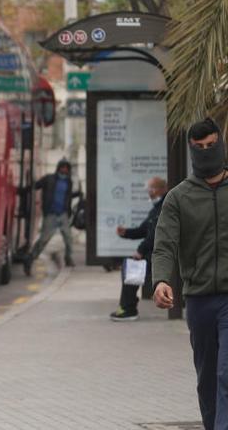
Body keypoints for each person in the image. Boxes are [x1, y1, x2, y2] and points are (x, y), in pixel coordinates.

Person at [153, 118, 228, 430]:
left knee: (226, 373)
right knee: (208, 378)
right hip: (198, 301)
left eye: (211, 146)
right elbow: (164, 243)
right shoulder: (178, 197)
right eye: (199, 148)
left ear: (221, 146)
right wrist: (160, 281)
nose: (206, 152)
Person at [110, 176, 167, 321]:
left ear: (162, 189)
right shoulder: (156, 208)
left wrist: (140, 251)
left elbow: (155, 234)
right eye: (149, 189)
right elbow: (144, 230)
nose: (150, 192)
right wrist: (126, 232)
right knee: (130, 266)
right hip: (155, 252)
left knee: (131, 267)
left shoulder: (165, 206)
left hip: (163, 254)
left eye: (152, 189)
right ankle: (127, 307)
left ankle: (128, 309)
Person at [23, 159, 82, 275]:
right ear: (59, 168)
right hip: (51, 214)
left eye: (66, 168)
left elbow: (68, 197)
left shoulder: (68, 182)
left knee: (68, 238)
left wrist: (78, 194)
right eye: (63, 167)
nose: (64, 169)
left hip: (63, 214)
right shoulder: (49, 179)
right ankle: (30, 258)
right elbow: (35, 186)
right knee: (44, 239)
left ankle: (68, 258)